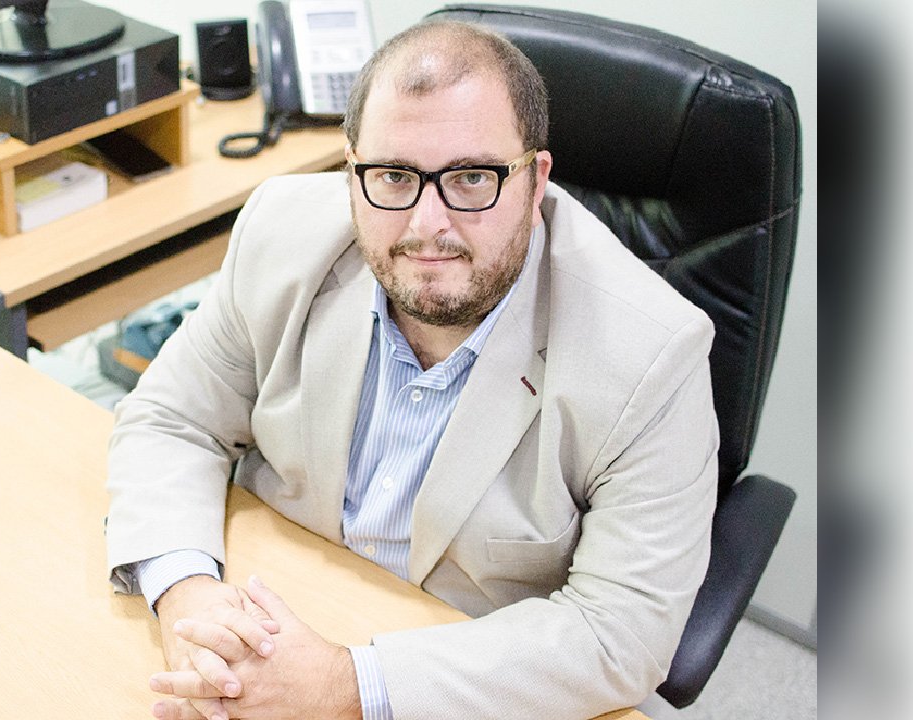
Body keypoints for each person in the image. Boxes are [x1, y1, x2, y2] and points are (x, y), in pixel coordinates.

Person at [105, 19, 719, 720]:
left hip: (460, 680)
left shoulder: (651, 355)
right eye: (394, 176)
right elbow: (173, 418)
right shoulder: (282, 232)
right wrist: (189, 599)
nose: (428, 225)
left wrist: (345, 687)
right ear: (352, 172)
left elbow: (618, 634)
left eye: (471, 178)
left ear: (535, 181)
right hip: (266, 621)